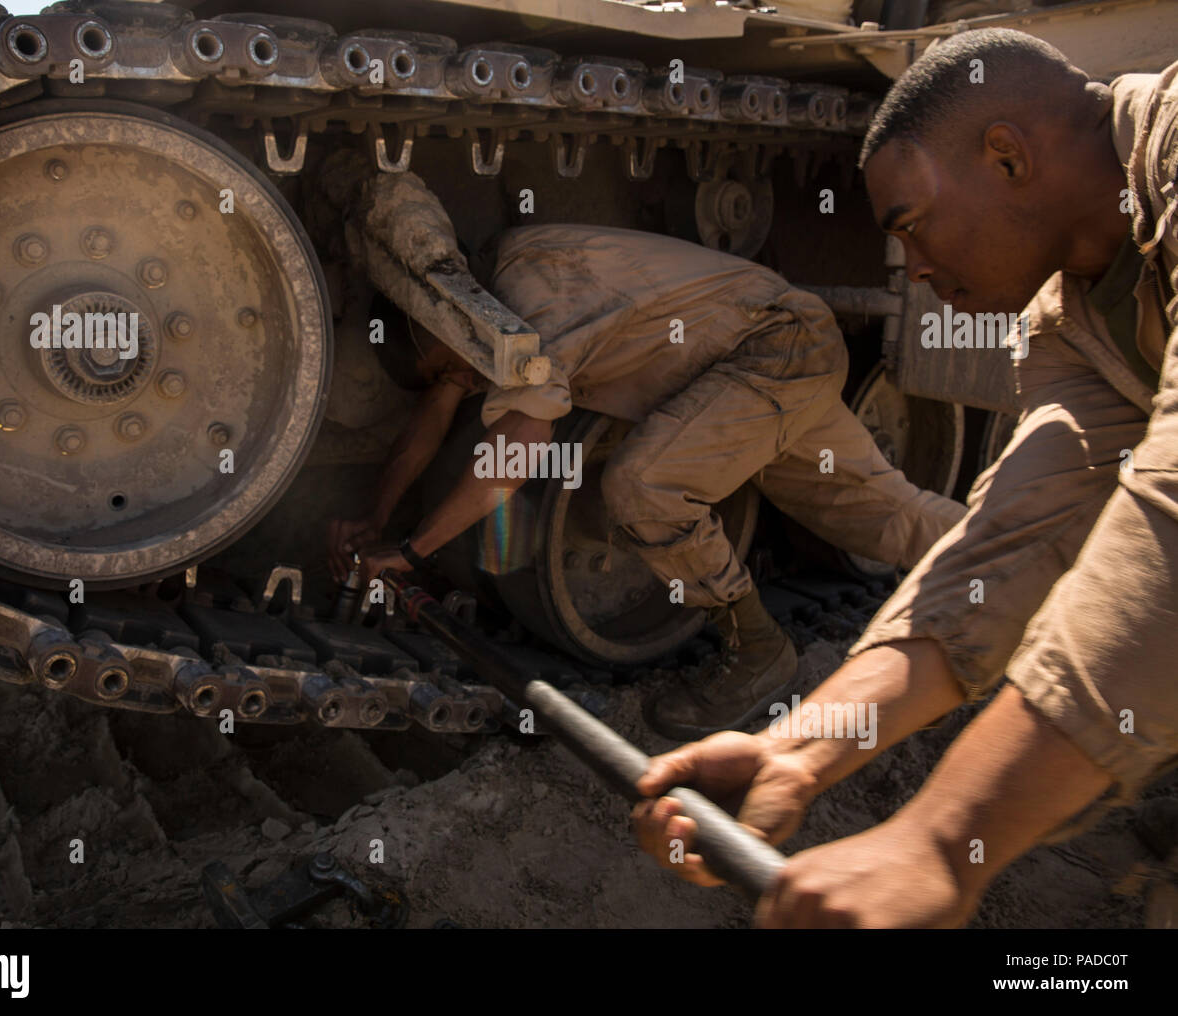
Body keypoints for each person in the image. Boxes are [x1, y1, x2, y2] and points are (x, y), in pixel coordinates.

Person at [633, 28, 1178, 928]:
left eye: (911, 224)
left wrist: (941, 839)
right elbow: (1016, 541)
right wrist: (803, 747)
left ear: (1006, 156)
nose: (914, 269)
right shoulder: (1077, 320)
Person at [327, 177, 964, 739]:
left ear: (448, 327)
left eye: (453, 373)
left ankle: (759, 649)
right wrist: (377, 520)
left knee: (641, 485)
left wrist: (412, 552)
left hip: (772, 349)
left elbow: (516, 450)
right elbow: (434, 416)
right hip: (758, 361)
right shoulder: (483, 297)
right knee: (884, 517)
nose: (463, 388)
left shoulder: (528, 306)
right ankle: (1032, 556)